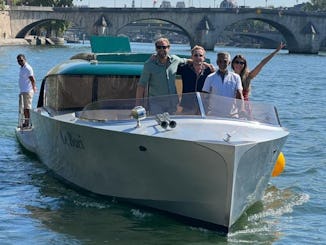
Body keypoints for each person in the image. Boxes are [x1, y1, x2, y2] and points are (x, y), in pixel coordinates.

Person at [136, 37, 188, 114]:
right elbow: (141, 85)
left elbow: (187, 60)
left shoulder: (175, 60)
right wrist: (138, 106)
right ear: (156, 49)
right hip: (156, 103)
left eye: (164, 47)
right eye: (159, 47)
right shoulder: (149, 64)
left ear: (169, 48)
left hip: (172, 103)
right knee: (157, 124)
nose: (161, 49)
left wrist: (205, 64)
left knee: (172, 125)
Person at [202, 51, 245, 117]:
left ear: (229, 63)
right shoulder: (210, 77)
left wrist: (242, 110)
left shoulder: (236, 77)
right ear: (217, 62)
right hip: (214, 115)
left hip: (232, 115)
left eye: (225, 61)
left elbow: (239, 95)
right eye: (220, 61)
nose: (222, 63)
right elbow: (204, 97)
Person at [177, 45, 215, 113]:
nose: (198, 57)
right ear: (192, 57)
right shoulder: (184, 68)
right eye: (195, 55)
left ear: (204, 58)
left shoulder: (209, 71)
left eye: (200, 55)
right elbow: (173, 61)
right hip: (188, 106)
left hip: (203, 106)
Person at [17, 54, 36, 127]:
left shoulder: (28, 68)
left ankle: (28, 123)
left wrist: (34, 88)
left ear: (25, 60)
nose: (20, 62)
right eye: (18, 60)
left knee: (27, 108)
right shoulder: (22, 68)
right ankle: (26, 122)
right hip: (23, 90)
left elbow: (32, 79)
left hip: (27, 91)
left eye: (21, 60)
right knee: (24, 108)